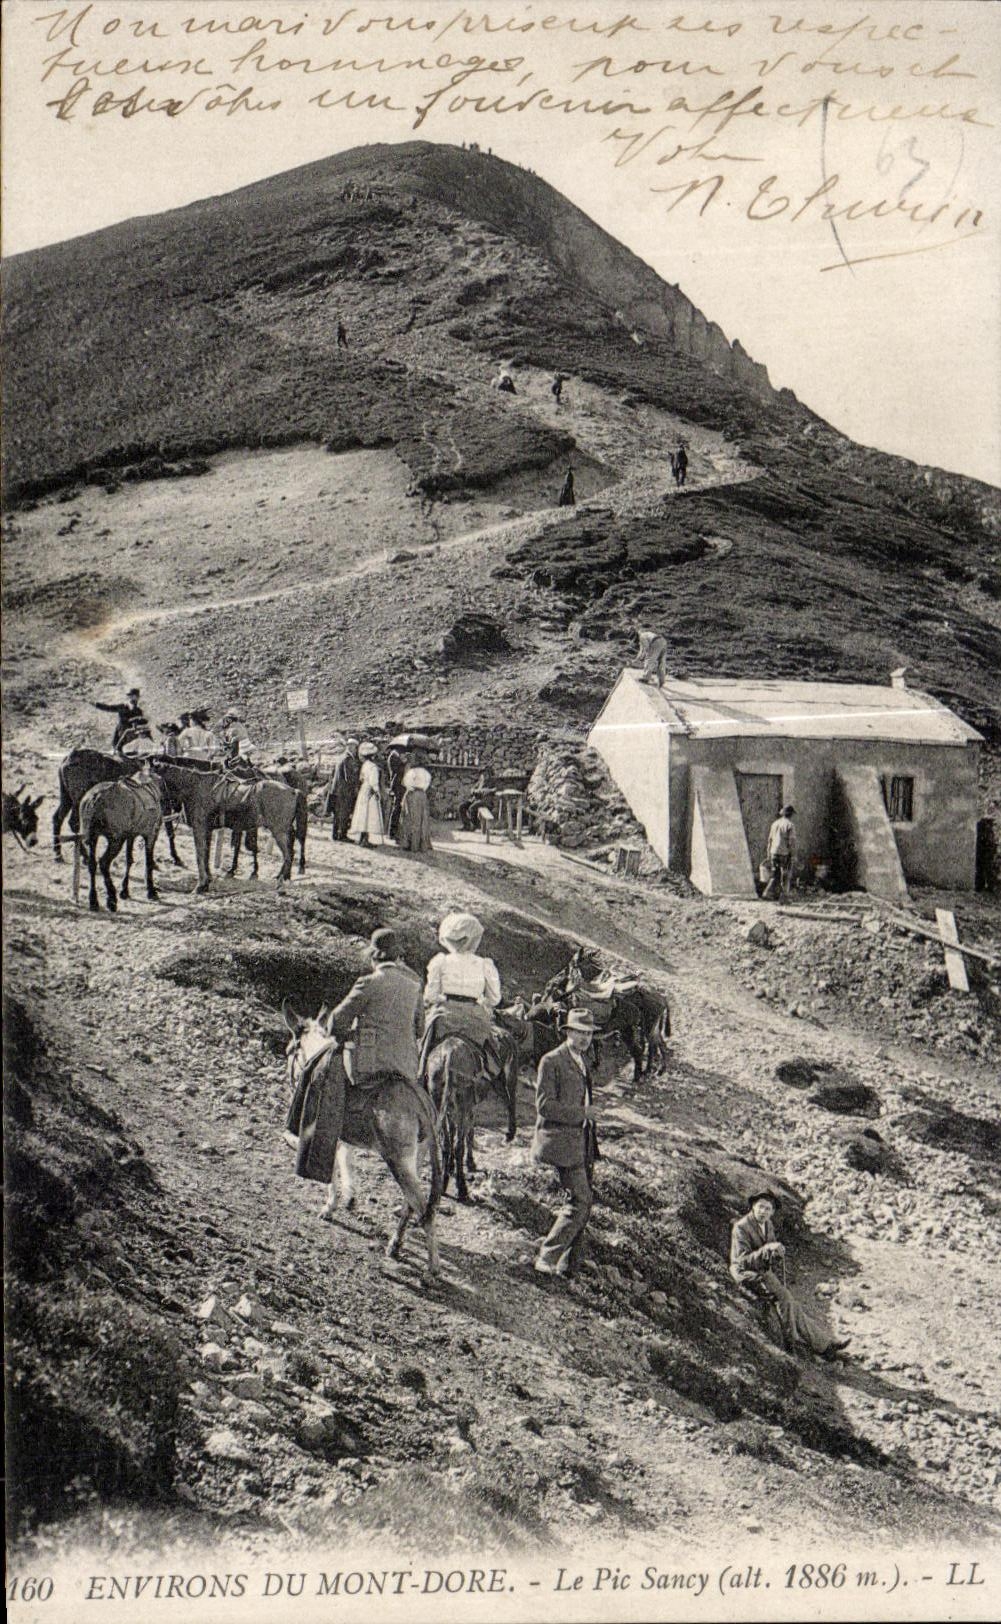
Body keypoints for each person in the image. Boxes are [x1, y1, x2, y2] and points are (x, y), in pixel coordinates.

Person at [730, 1193, 850, 1360]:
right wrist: (766, 1251)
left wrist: (777, 1252)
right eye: (760, 1206)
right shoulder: (741, 1227)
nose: (763, 1211)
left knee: (792, 1304)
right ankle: (790, 1343)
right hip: (745, 1273)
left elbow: (768, 1253)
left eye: (768, 1208)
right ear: (753, 1207)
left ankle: (825, 1346)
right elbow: (741, 1261)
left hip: (762, 1271)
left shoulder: (768, 1224)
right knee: (785, 1298)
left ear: (772, 1212)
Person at [533, 1009, 599, 1278]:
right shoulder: (552, 1061)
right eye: (580, 1032)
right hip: (560, 1142)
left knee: (584, 1200)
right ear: (568, 1032)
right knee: (581, 1200)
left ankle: (569, 1266)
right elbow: (544, 1106)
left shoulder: (581, 1060)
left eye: (589, 1033)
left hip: (581, 1141)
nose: (585, 1038)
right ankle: (547, 1257)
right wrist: (582, 1114)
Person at [328, 928, 423, 1087]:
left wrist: (347, 1037)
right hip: (407, 1065)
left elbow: (337, 1020)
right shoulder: (414, 986)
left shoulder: (367, 983)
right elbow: (420, 1029)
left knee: (333, 1086)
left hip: (369, 1065)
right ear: (397, 957)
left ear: (373, 957)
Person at [420, 911, 503, 1079]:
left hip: (445, 1015)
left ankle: (419, 1073)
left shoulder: (440, 961)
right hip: (475, 1016)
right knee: (493, 1051)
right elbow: (495, 999)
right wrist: (482, 1001)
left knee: (423, 1045)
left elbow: (430, 996)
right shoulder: (484, 964)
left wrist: (441, 999)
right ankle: (492, 1077)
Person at [349, 742, 384, 847]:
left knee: (363, 814)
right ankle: (365, 839)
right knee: (369, 815)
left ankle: (361, 838)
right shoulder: (373, 767)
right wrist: (377, 791)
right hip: (370, 790)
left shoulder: (364, 765)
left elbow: (361, 778)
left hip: (364, 790)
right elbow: (374, 782)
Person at [94, 687, 151, 754]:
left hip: (131, 734)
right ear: (129, 697)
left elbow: (141, 722)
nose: (134, 698)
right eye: (132, 696)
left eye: (136, 696)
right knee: (119, 748)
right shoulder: (122, 707)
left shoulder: (138, 711)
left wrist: (138, 722)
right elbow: (109, 708)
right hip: (121, 732)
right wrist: (96, 704)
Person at [325, 739, 361, 841]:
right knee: (344, 813)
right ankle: (342, 835)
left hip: (337, 790)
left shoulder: (341, 757)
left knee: (338, 813)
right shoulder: (348, 759)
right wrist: (356, 786)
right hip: (345, 791)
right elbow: (348, 777)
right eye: (353, 747)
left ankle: (335, 834)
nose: (354, 749)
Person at [397, 761, 433, 853]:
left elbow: (406, 783)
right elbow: (427, 784)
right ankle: (421, 844)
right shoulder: (425, 772)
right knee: (422, 819)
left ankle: (410, 844)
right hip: (422, 795)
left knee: (410, 818)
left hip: (413, 795)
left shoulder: (411, 772)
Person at [763, 805, 797, 900]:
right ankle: (784, 897)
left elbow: (769, 840)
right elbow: (791, 842)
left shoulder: (775, 824)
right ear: (790, 815)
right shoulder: (790, 825)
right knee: (785, 875)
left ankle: (767, 893)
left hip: (774, 852)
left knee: (775, 874)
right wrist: (793, 855)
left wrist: (769, 854)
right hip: (784, 853)